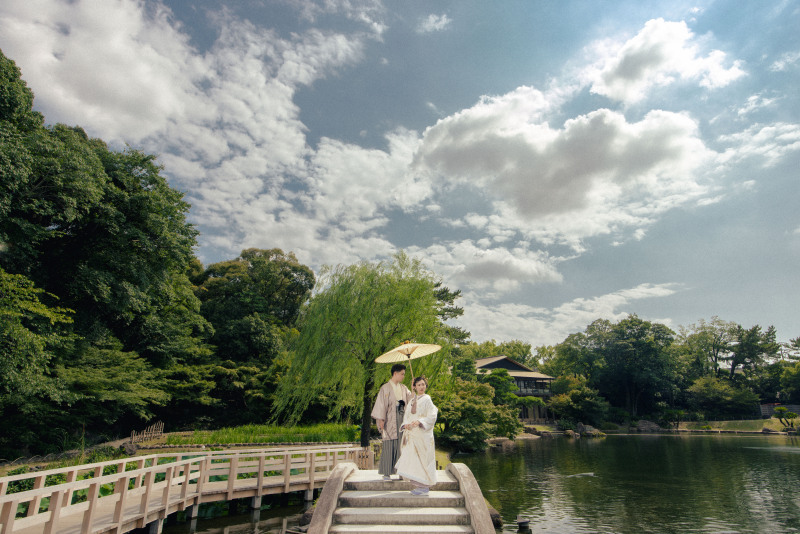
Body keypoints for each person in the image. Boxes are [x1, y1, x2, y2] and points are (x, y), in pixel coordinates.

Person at [395, 375, 438, 495]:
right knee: (413, 460)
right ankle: (419, 486)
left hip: (422, 435)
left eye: (423, 384)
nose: (421, 387)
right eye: (418, 385)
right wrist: (406, 425)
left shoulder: (427, 399)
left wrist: (420, 422)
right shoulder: (412, 401)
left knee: (423, 460)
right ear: (414, 387)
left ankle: (424, 487)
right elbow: (407, 417)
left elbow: (432, 415)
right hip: (412, 435)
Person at [371, 363, 412, 480]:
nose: (403, 376)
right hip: (389, 418)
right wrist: (381, 420)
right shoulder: (385, 388)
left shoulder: (404, 388)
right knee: (389, 443)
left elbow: (411, 400)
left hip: (402, 417)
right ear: (395, 373)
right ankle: (386, 473)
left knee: (401, 444)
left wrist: (413, 388)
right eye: (402, 374)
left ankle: (402, 472)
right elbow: (381, 405)